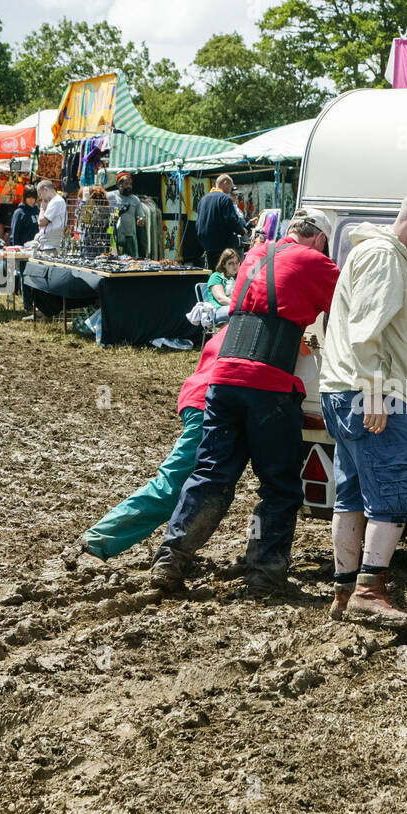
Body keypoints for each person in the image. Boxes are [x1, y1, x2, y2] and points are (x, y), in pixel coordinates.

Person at [147, 209, 341, 593]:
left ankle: (170, 560)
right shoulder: (317, 262)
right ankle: (264, 574)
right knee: (279, 486)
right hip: (268, 383)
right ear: (320, 239)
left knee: (212, 474)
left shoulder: (255, 254)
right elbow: (350, 314)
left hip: (222, 380)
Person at [319, 189, 407, 629]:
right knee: (396, 492)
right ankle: (369, 591)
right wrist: (374, 392)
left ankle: (343, 588)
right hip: (372, 393)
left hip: (340, 390)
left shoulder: (369, 251)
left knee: (353, 492)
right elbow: (365, 332)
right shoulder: (385, 257)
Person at [79, 328, 226, 560]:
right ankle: (97, 541)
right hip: (210, 405)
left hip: (200, 397)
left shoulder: (236, 321)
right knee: (173, 486)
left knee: (193, 483)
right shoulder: (271, 326)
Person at [195, 174, 248, 269]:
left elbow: (198, 223)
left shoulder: (203, 199)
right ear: (225, 183)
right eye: (230, 186)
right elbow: (231, 220)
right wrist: (242, 230)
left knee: (213, 273)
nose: (230, 189)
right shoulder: (225, 198)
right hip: (223, 245)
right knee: (226, 274)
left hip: (207, 245)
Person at [11, 185, 39, 313]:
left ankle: (37, 303)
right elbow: (15, 232)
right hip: (23, 250)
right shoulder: (19, 212)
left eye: (33, 197)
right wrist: (17, 248)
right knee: (25, 277)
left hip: (37, 249)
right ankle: (27, 305)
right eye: (29, 197)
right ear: (25, 197)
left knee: (35, 277)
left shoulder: (38, 211)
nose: (31, 200)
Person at [107, 171, 147, 257]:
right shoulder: (109, 196)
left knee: (130, 261)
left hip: (129, 237)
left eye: (130, 184)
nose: (129, 186)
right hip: (113, 237)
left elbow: (142, 217)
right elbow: (101, 212)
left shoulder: (135, 199)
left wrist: (141, 220)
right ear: (119, 185)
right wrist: (110, 215)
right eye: (126, 184)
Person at [35, 180, 66, 249]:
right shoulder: (54, 201)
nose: (41, 198)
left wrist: (42, 208)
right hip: (48, 243)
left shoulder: (56, 201)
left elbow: (42, 222)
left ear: (46, 189)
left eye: (40, 194)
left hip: (51, 244)